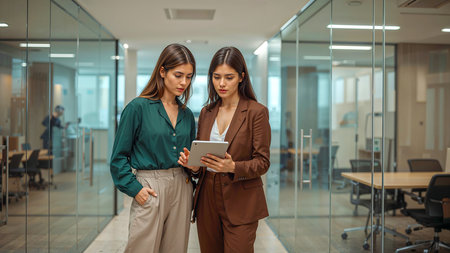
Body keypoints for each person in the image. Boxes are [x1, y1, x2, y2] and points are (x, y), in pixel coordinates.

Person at [178, 46, 271, 252]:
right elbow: (202, 159)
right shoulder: (206, 112)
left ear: (241, 77)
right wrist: (193, 166)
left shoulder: (256, 112)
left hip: (241, 198)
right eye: (216, 76)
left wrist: (233, 166)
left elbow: (263, 162)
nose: (221, 83)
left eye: (229, 77)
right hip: (207, 195)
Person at [110, 43, 197, 253]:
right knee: (142, 248)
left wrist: (193, 165)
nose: (184, 82)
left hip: (182, 186)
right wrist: (136, 189)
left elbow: (189, 156)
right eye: (178, 75)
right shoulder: (137, 108)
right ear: (162, 71)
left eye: (189, 77)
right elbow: (118, 157)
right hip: (150, 186)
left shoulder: (187, 115)